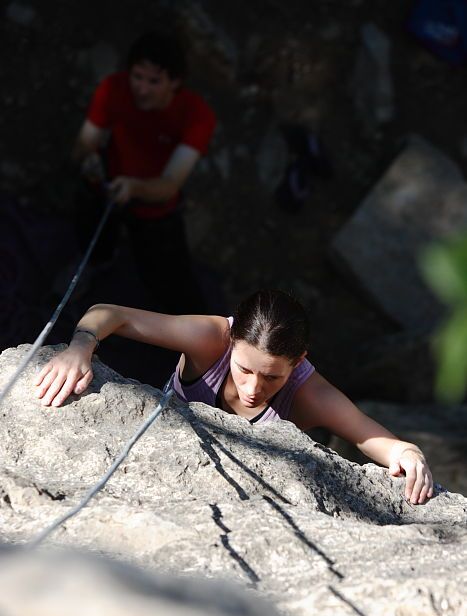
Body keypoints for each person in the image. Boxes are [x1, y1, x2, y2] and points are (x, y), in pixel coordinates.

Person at [34, 290, 433, 505]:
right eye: (244, 369)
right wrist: (80, 347)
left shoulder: (309, 392)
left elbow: (370, 437)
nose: (254, 388)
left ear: (298, 363)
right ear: (231, 341)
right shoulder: (210, 339)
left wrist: (407, 454)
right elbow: (110, 313)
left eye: (272, 376)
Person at [72, 30, 216, 312]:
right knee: (92, 234)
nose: (142, 88)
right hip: (107, 187)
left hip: (155, 207)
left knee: (168, 275)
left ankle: (180, 318)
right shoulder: (113, 90)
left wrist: (134, 187)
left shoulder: (196, 115)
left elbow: (170, 183)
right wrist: (87, 159)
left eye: (154, 81)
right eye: (137, 77)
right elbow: (84, 143)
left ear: (175, 82)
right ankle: (94, 265)